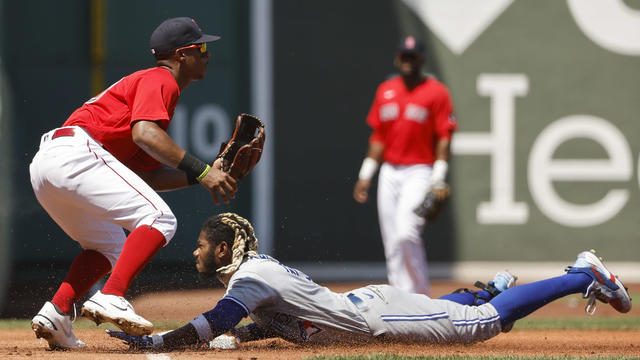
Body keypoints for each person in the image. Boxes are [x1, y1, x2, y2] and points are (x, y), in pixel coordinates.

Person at [106, 212, 631, 350]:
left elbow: (212, 322)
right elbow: (275, 325)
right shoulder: (253, 277)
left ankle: (580, 272)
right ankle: (489, 287)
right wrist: (234, 339)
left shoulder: (250, 277)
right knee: (452, 311)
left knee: (480, 327)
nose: (195, 251)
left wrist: (152, 343)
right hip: (363, 307)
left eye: (201, 244)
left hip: (371, 318)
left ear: (223, 249)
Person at [29, 17, 239, 350]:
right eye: (201, 48)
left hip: (48, 165)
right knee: (161, 219)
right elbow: (145, 133)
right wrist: (202, 170)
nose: (207, 54)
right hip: (75, 153)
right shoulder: (161, 79)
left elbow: (149, 176)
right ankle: (111, 295)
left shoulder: (152, 88)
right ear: (182, 54)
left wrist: (199, 176)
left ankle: (57, 312)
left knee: (108, 245)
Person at [353, 35, 457, 295]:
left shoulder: (436, 92)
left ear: (421, 59)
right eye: (404, 55)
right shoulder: (385, 91)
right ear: (397, 58)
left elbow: (445, 137)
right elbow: (378, 137)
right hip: (389, 170)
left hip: (420, 170)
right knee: (391, 241)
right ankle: (400, 296)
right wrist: (366, 174)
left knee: (406, 233)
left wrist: (438, 177)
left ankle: (420, 296)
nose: (408, 60)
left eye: (413, 56)